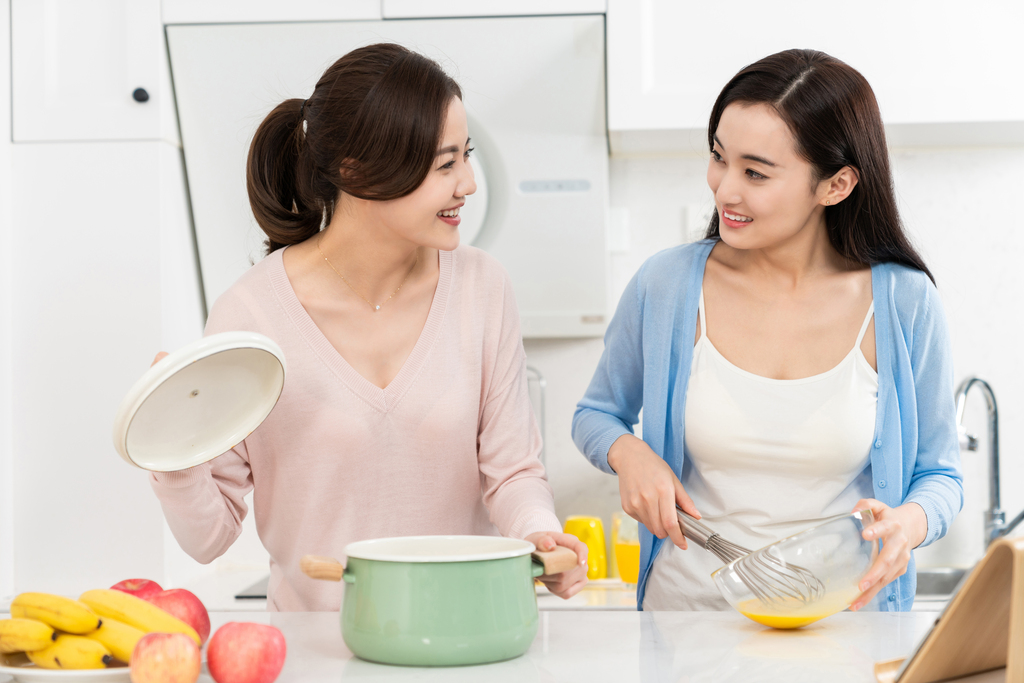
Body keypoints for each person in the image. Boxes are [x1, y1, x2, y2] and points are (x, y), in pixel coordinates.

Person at [149, 43, 587, 611]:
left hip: (465, 635)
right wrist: (173, 450)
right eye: (444, 164)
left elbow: (511, 473)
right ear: (357, 171)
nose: (469, 184)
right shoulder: (252, 314)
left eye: (467, 155)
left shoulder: (483, 286)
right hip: (315, 657)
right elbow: (208, 539)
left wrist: (537, 532)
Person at [572, 49, 962, 611]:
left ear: (836, 185)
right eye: (718, 158)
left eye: (755, 172)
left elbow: (940, 475)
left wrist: (909, 523)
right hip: (684, 626)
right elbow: (595, 415)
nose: (725, 189)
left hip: (842, 627)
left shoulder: (902, 302)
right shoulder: (667, 285)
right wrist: (627, 452)